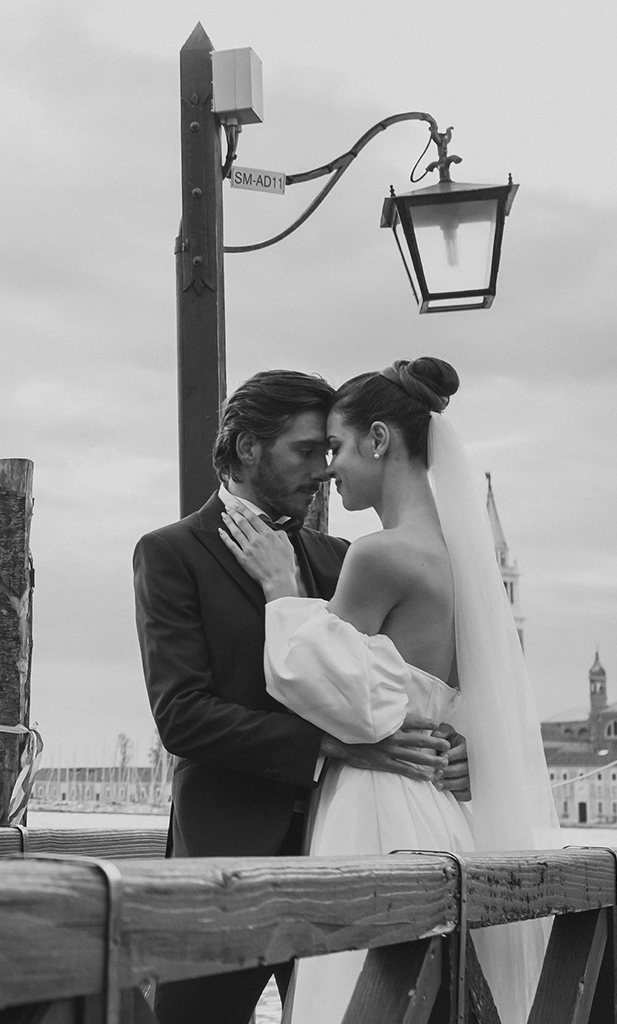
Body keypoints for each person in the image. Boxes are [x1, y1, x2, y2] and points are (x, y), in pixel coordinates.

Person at [220, 357, 560, 1024]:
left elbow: (339, 691)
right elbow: (461, 698)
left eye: (339, 447)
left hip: (376, 809)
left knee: (356, 991)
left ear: (379, 439)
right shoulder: (461, 563)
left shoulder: (380, 555)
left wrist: (283, 593)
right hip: (438, 810)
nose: (329, 468)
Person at [133, 369, 470, 1024]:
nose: (322, 469)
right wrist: (330, 747)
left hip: (351, 851)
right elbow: (182, 717)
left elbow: (396, 680)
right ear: (248, 447)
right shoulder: (170, 553)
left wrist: (456, 750)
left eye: (329, 451)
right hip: (226, 862)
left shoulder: (344, 556)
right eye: (306, 450)